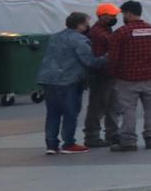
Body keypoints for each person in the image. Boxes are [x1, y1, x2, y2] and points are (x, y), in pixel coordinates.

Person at [39, 11, 104, 155]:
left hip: (48, 79)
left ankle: (51, 145)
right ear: (80, 25)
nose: (88, 25)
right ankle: (68, 143)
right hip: (68, 80)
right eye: (87, 22)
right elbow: (90, 61)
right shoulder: (79, 40)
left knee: (53, 113)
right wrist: (107, 57)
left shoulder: (55, 37)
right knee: (70, 112)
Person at [109, 0, 151, 152]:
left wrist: (114, 74)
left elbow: (113, 58)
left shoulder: (120, 33)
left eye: (123, 13)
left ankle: (128, 141)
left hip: (127, 79)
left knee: (128, 110)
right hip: (149, 77)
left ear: (128, 13)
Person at [82, 3, 121, 150]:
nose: (114, 18)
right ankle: (92, 136)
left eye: (115, 15)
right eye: (111, 15)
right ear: (102, 16)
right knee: (98, 107)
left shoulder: (106, 30)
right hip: (101, 76)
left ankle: (112, 134)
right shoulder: (98, 34)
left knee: (112, 106)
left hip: (108, 75)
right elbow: (98, 58)